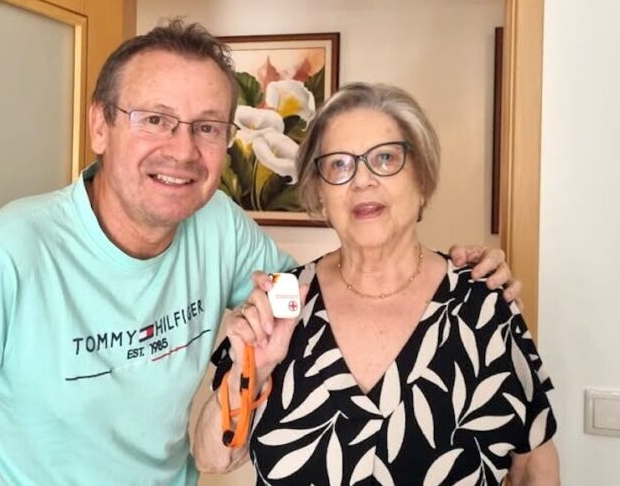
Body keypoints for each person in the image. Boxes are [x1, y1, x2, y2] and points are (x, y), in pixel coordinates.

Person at [0, 23, 519, 485]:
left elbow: (304, 292)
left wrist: (446, 272)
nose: (182, 151)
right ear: (99, 126)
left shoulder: (214, 225)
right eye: (155, 119)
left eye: (207, 127)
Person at [192, 82, 559, 485]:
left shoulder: (483, 305)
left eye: (385, 158)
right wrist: (255, 370)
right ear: (320, 195)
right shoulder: (284, 299)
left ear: (422, 180)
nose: (362, 180)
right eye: (339, 165)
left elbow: (532, 468)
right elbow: (212, 458)